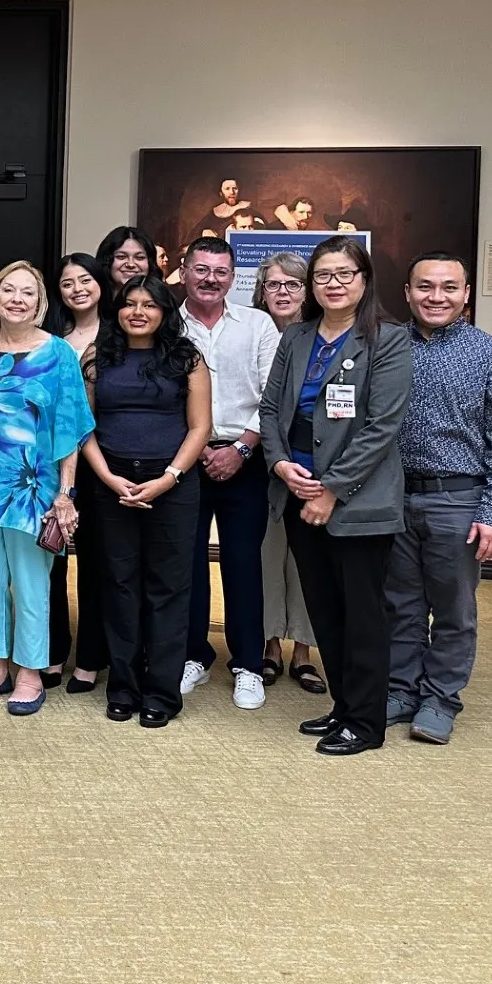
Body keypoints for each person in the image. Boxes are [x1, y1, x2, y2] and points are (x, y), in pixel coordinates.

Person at [261, 235, 413, 756]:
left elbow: (382, 426)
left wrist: (329, 489)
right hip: (296, 488)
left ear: (364, 280)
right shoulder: (298, 337)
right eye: (323, 275)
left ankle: (366, 723)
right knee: (324, 610)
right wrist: (280, 464)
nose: (333, 283)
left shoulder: (387, 338)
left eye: (345, 273)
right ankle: (345, 707)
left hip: (358, 500)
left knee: (362, 615)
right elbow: (269, 410)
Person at [389, 254, 492, 743]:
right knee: (400, 605)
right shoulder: (386, 346)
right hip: (393, 497)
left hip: (458, 501)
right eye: (425, 287)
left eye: (449, 288)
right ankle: (401, 690)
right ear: (407, 292)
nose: (436, 297)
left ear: (466, 294)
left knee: (454, 609)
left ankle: (440, 699)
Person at [0, 261, 92, 716]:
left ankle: (30, 673)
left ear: (41, 302)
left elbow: (71, 428)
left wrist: (65, 495)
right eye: (8, 290)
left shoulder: (58, 354)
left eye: (27, 293)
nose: (17, 298)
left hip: (36, 486)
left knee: (33, 584)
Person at [82, 275, 212, 728]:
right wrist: (109, 479)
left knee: (168, 590)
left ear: (164, 312)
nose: (138, 312)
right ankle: (122, 686)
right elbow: (84, 425)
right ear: (117, 309)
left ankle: (162, 691)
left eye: (149, 305)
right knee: (118, 586)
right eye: (129, 303)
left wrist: (168, 477)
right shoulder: (98, 356)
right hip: (110, 481)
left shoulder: (186, 357)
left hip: (173, 486)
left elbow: (200, 427)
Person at [173, 236, 282, 711]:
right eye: (201, 269)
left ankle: (248, 665)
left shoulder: (257, 325)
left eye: (220, 271)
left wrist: (240, 447)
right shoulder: (166, 324)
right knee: (187, 562)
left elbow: (272, 396)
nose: (210, 279)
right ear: (184, 270)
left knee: (243, 564)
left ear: (233, 277)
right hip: (183, 461)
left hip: (246, 459)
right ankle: (193, 655)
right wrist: (194, 450)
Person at [252, 252, 324, 690]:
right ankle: (269, 645)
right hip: (260, 462)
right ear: (262, 291)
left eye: (292, 284)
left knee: (306, 559)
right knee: (266, 554)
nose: (282, 292)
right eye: (273, 285)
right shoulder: (251, 331)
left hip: (309, 465)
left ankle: (304, 651)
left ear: (307, 290)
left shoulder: (321, 337)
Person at [43, 252, 112, 692]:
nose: (77, 289)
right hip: (49, 460)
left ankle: (89, 657)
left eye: (85, 280)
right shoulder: (49, 337)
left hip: (103, 461)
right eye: (67, 283)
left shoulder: (120, 332)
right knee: (48, 559)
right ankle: (50, 653)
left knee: (96, 563)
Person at [94, 226, 159, 288]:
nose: (131, 264)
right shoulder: (90, 298)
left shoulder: (165, 298)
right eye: (121, 257)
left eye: (139, 258)